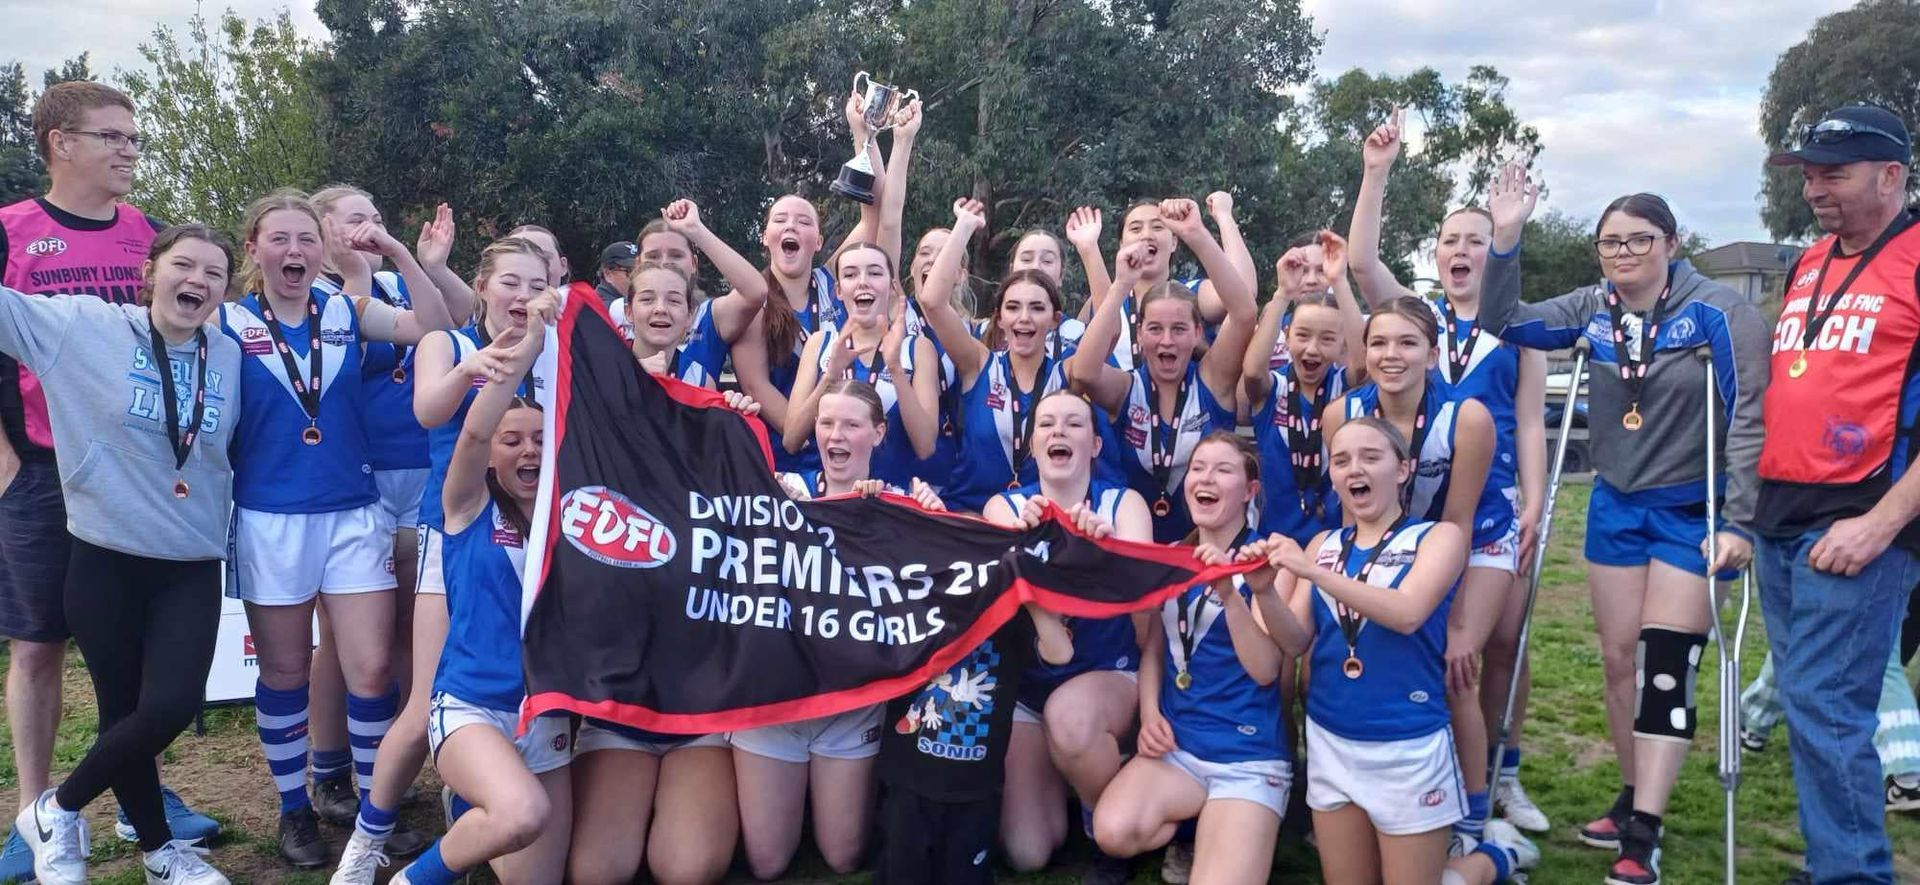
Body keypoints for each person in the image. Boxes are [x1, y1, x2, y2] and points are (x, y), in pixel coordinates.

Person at [1477, 171, 1769, 885]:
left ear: (1672, 243)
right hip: (1616, 503)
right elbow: (1504, 321)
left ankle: (1648, 828)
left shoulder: (1719, 314)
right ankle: (1634, 793)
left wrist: (1741, 521)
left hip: (1691, 510)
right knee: (1617, 662)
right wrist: (1507, 237)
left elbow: (1752, 419)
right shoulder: (1593, 309)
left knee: (1665, 664)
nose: (1624, 252)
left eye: (1640, 240)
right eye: (1610, 242)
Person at [0, 81, 218, 874]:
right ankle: (34, 813)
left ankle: (139, 808)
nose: (130, 150)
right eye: (113, 136)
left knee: (134, 662)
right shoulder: (11, 230)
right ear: (61, 142)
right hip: (38, 467)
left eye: (135, 139)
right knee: (39, 646)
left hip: (139, 477)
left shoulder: (152, 238)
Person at [221, 189, 457, 868]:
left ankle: (366, 808)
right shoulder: (231, 324)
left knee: (374, 665)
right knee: (286, 670)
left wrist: (402, 253)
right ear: (254, 249)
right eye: (281, 239)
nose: (295, 252)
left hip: (355, 509)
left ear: (321, 249)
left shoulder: (343, 309)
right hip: (271, 515)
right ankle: (295, 810)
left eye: (305, 240)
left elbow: (433, 327)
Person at [1349, 110, 1553, 837]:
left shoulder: (1521, 322)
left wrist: (1535, 502)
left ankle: (1506, 774)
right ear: (1436, 253)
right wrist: (1377, 172)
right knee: (1435, 652)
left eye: (1476, 239)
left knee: (1496, 646)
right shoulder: (1416, 318)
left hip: (1492, 509)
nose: (1463, 249)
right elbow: (1363, 261)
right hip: (1419, 513)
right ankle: (1436, 780)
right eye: (1451, 239)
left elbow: (1531, 419)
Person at [332, 234, 547, 884]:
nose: (522, 295)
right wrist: (478, 367)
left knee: (529, 674)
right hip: (456, 530)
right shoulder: (448, 340)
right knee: (426, 701)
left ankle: (474, 798)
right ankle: (367, 842)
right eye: (509, 281)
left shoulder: (556, 348)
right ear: (480, 286)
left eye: (535, 284)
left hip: (536, 532)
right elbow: (431, 411)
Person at [1750, 104, 1920, 885]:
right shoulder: (1809, 260)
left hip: (1861, 523)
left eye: (1835, 172)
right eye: (1809, 172)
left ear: (1892, 175)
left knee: (1827, 709)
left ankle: (1853, 876)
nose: (1816, 186)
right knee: (1811, 713)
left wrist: (1881, 524)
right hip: (1781, 517)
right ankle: (1834, 864)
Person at [1262, 416, 1538, 885]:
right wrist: (1265, 592)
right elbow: (1296, 641)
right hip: (1331, 740)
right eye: (1342, 460)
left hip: (1407, 747)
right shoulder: (1323, 544)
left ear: (1403, 469)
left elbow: (1407, 612)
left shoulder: (1437, 538)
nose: (1355, 470)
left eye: (1371, 457)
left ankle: (1497, 857)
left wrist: (1313, 574)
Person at [385, 300, 573, 885]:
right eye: (513, 440)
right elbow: (470, 431)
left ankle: (468, 809)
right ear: (493, 452)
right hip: (473, 706)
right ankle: (412, 879)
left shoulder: (571, 515)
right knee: (523, 814)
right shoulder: (467, 504)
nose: (529, 451)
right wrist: (523, 354)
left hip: (546, 714)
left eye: (541, 440)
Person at [1321, 296, 1510, 853]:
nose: (1391, 354)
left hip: (1470, 543)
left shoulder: (1466, 417)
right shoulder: (1344, 413)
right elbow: (1349, 514)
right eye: (1378, 342)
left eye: (1407, 343)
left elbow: (1459, 520)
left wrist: (1450, 620)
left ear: (1432, 354)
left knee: (1454, 666)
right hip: (1389, 543)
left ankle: (1473, 816)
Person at [734, 379, 944, 880]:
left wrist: (928, 521)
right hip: (773, 703)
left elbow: (944, 582)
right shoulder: (781, 492)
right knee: (766, 864)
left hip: (850, 706)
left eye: (851, 424)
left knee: (843, 856)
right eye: (826, 423)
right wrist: (730, 415)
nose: (836, 434)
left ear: (878, 433)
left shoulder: (897, 504)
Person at [304, 184, 456, 853]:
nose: (370, 224)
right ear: (323, 228)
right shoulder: (312, 296)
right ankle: (328, 764)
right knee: (343, 631)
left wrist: (423, 259)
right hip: (355, 475)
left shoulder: (399, 277)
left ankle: (385, 771)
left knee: (400, 624)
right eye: (355, 217)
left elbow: (456, 321)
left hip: (418, 467)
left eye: (376, 213)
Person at [1091, 432, 1295, 885]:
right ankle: (1199, 825)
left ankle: (1234, 824)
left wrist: (1228, 589)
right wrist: (1148, 716)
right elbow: (1155, 651)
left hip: (1246, 758)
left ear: (1250, 491)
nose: (1206, 477)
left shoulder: (1267, 562)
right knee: (1113, 831)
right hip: (1180, 750)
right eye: (1198, 468)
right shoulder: (1173, 559)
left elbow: (1265, 670)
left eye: (1223, 470)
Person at [980, 391, 1153, 880]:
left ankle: (1109, 828)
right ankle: (1078, 774)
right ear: (1031, 444)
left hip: (1108, 675)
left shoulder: (1124, 503)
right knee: (1027, 852)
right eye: (1047, 424)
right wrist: (1018, 536)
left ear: (1096, 445)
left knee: (1071, 718)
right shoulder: (1006, 505)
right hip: (1030, 688)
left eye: (1074, 425)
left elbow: (1144, 588)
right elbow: (1004, 567)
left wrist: (1104, 547)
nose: (1059, 432)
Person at [874, 525, 1077, 885]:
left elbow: (1060, 652)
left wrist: (1025, 589)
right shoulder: (914, 610)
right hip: (910, 787)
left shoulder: (1008, 621)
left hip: (975, 791)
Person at [1071, 199, 1257, 543]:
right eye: (1154, 329)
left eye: (1179, 330)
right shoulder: (1127, 388)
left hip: (1205, 548)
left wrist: (1198, 234)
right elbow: (1083, 373)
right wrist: (1121, 285)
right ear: (1139, 335)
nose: (1167, 341)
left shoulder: (1213, 382)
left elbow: (1244, 312)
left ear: (1198, 333)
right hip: (1131, 545)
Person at [730, 91, 889, 472]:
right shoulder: (751, 302)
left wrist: (862, 134)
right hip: (787, 462)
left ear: (817, 242)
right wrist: (820, 429)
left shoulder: (834, 279)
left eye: (803, 222)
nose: (791, 226)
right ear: (765, 237)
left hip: (846, 450)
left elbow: (875, 215)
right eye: (781, 220)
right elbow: (762, 395)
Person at [915, 199, 1094, 513]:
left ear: (1055, 319)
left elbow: (1111, 328)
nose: (1024, 317)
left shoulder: (1069, 373)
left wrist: (1092, 252)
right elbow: (932, 301)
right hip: (969, 519)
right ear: (999, 318)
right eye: (1013, 308)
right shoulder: (978, 364)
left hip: (1039, 520)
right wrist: (964, 227)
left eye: (1037, 308)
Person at [1243, 233, 1365, 545]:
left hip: (1334, 542)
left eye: (1327, 339)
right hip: (1273, 542)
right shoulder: (1274, 387)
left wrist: (1339, 281)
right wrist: (1283, 293)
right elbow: (1253, 371)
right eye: (1303, 336)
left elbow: (1364, 364)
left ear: (1342, 346)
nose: (1312, 349)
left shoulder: (1345, 386)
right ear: (1286, 335)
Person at [784, 244, 939, 488]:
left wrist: (896, 369)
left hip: (889, 499)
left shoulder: (918, 348)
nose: (862, 282)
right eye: (850, 274)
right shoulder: (819, 343)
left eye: (875, 273)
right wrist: (829, 378)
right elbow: (791, 440)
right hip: (827, 497)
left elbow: (925, 447)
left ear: (892, 287)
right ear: (838, 290)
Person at [1075, 196, 1256, 371]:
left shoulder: (1193, 293)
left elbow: (1244, 294)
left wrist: (1224, 216)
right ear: (1121, 244)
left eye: (1158, 226)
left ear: (1174, 242)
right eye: (1136, 229)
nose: (1146, 235)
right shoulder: (1102, 300)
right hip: (1115, 398)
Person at [626, 261, 720, 388]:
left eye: (674, 301)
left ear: (689, 316)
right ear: (629, 312)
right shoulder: (603, 368)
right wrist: (631, 375)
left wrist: (738, 405)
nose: (661, 309)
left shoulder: (699, 380)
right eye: (647, 299)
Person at [595, 240, 638, 321]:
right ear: (608, 274)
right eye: (631, 271)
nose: (638, 277)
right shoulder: (600, 310)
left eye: (641, 271)